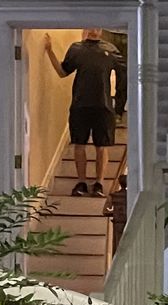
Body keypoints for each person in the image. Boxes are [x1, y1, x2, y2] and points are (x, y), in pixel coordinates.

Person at [43, 30, 127, 197]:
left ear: (101, 30)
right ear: (84, 29)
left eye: (96, 27)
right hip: (80, 105)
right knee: (79, 144)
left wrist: (119, 106)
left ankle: (99, 184)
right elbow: (62, 72)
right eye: (90, 27)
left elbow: (124, 74)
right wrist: (49, 51)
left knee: (101, 147)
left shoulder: (110, 49)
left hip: (103, 106)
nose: (93, 30)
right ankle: (81, 182)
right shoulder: (76, 49)